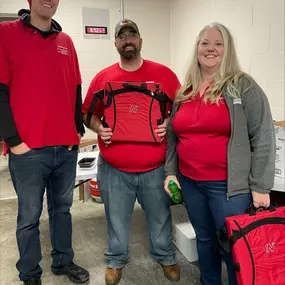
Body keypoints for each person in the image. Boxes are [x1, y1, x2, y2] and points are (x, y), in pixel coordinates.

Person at [164, 22, 276, 285]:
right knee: (204, 240)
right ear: (197, 49)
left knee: (234, 246)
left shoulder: (242, 86)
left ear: (228, 50)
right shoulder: (185, 91)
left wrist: (260, 185)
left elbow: (263, 136)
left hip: (228, 188)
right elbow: (172, 136)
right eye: (205, 43)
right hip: (191, 183)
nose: (210, 48)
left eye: (218, 43)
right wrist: (170, 173)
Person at [82, 19, 181, 285]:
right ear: (115, 43)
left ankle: (166, 255)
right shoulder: (103, 78)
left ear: (140, 40)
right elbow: (87, 114)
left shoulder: (165, 75)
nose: (127, 39)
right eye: (121, 36)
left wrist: (169, 123)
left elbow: (184, 110)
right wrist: (98, 128)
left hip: (155, 167)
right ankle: (115, 260)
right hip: (114, 169)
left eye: (132, 34)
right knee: (116, 218)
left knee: (160, 216)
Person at [0, 1, 89, 284]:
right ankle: (29, 273)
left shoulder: (66, 41)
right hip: (27, 150)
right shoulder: (6, 33)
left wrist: (76, 130)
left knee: (62, 210)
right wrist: (13, 140)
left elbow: (75, 86)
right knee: (28, 217)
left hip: (64, 148)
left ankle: (63, 261)